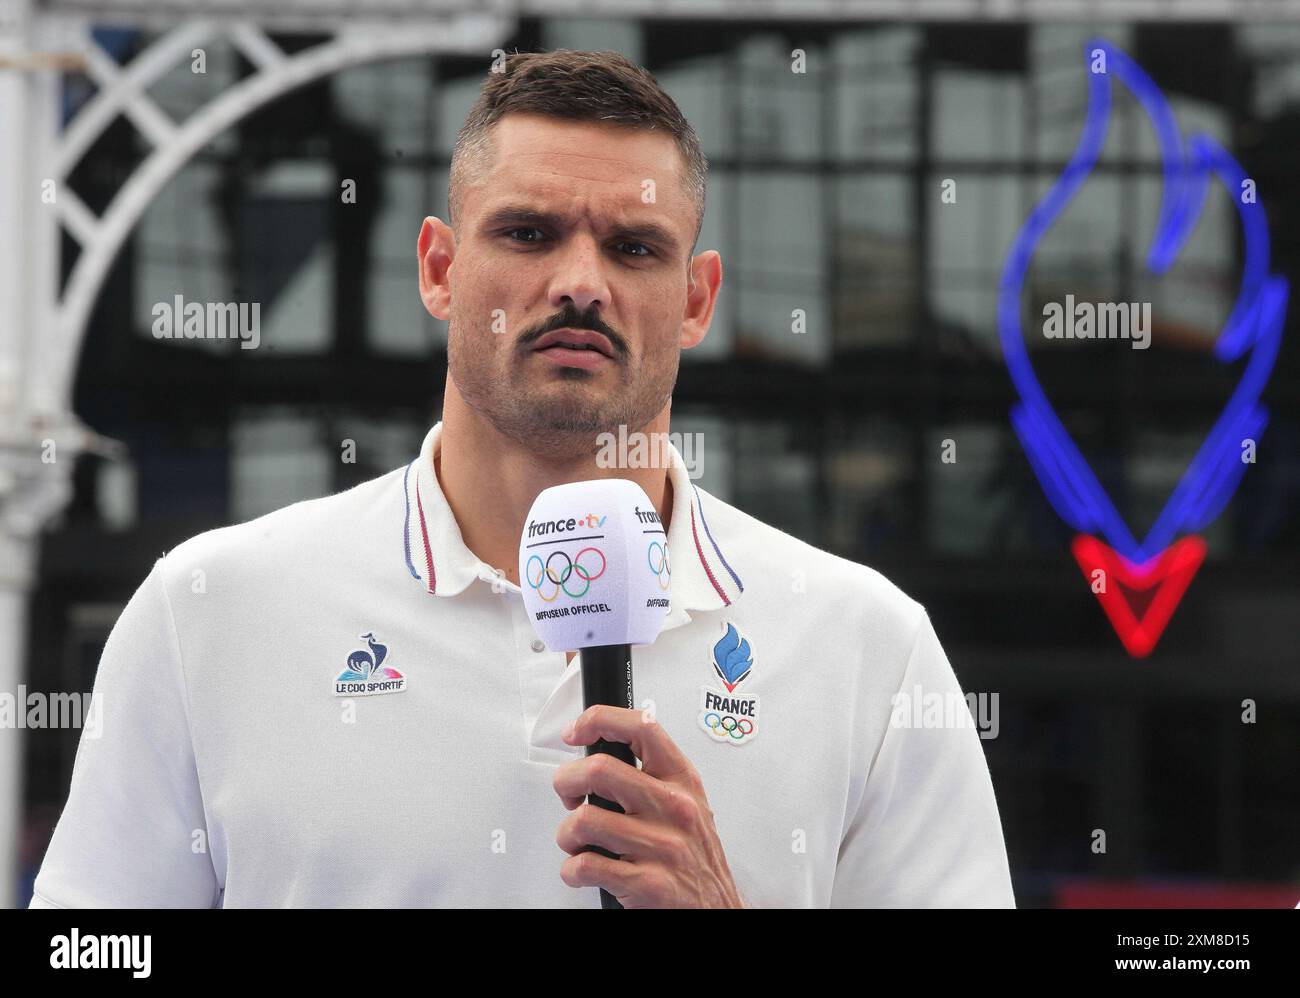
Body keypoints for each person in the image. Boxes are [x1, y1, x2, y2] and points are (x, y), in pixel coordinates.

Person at [30, 49, 1014, 908]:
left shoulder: (865, 646)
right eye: (529, 233)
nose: (580, 281)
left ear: (696, 300)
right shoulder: (209, 608)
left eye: (633, 247)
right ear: (438, 268)